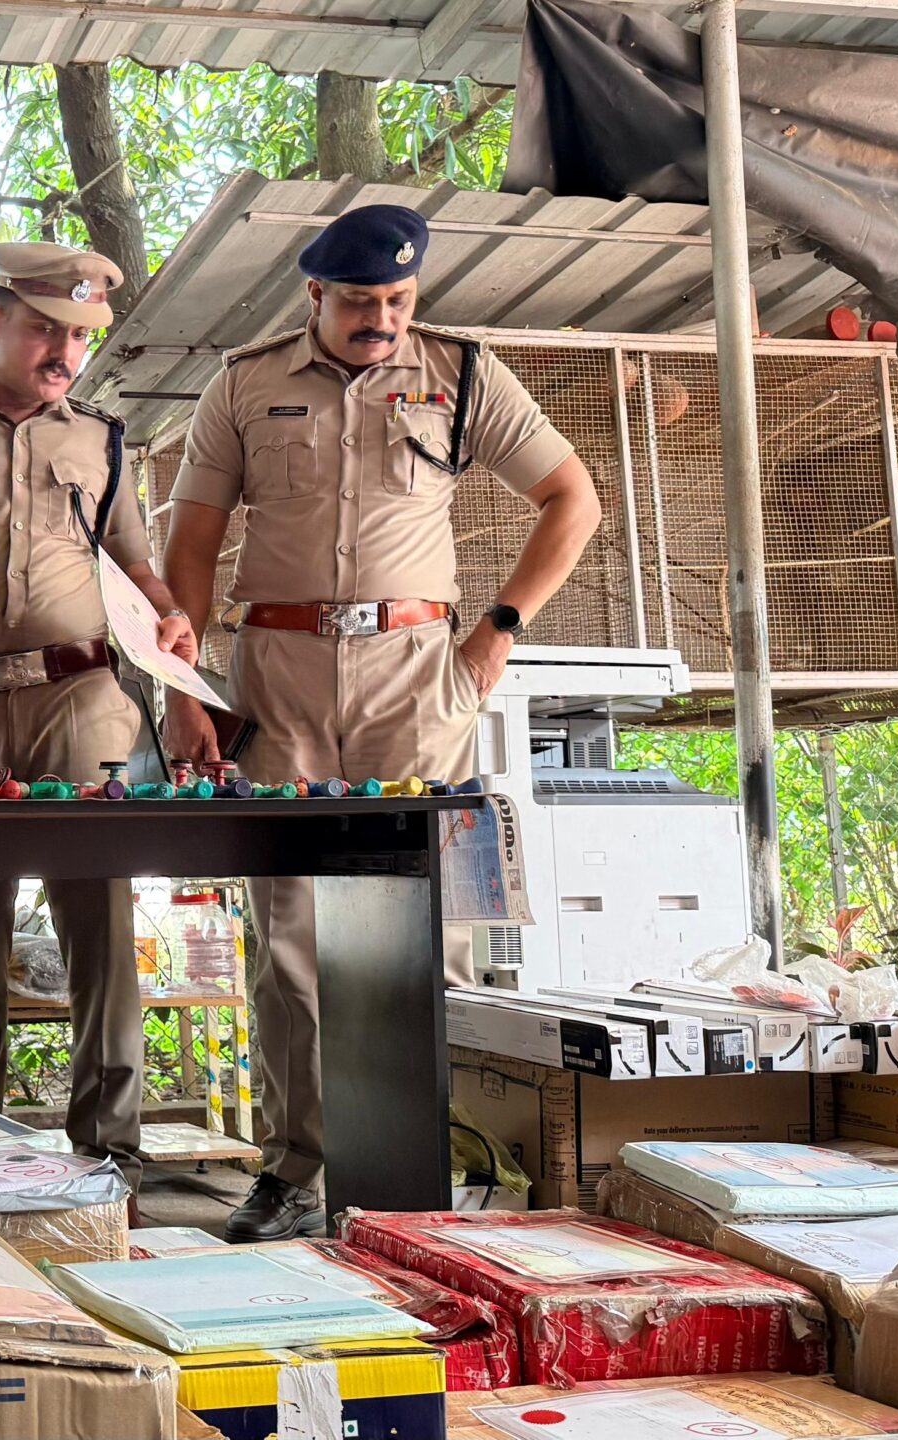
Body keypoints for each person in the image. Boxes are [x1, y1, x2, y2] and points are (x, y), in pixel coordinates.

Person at [159, 204, 600, 1241]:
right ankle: (297, 1170)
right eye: (361, 301)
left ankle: (423, 1172)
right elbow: (193, 540)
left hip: (416, 675)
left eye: (399, 299)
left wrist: (497, 631)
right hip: (278, 677)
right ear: (315, 294)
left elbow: (571, 498)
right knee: (291, 941)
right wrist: (183, 687)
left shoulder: (462, 373)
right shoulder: (244, 383)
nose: (383, 319)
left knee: (423, 933)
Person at [0, 243, 192, 1193]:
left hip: (79, 699)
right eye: (46, 329)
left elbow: (136, 565)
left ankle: (110, 1156)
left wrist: (170, 615)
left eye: (80, 337)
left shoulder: (101, 439)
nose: (64, 353)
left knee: (100, 928)